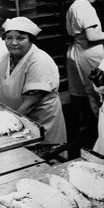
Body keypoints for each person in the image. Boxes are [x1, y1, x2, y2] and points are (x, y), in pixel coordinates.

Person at [0, 17, 66, 145]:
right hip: (16, 120)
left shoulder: (39, 61)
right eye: (9, 38)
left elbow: (28, 105)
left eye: (20, 38)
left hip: (40, 125)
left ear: (31, 40)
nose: (13, 43)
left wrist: (6, 125)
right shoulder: (5, 58)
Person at [66, 0, 104, 144]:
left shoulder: (75, 5)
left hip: (77, 53)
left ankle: (84, 129)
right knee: (95, 93)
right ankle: (100, 133)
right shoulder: (85, 8)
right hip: (87, 54)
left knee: (80, 92)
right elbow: (92, 36)